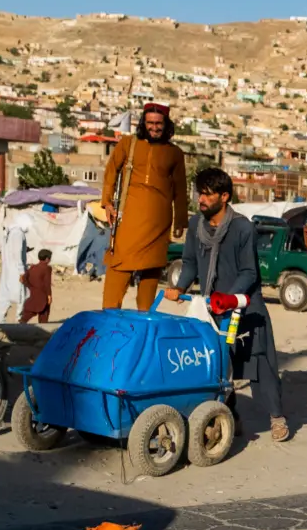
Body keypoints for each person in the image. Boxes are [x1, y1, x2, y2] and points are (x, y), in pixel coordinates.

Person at [164, 168, 290, 442]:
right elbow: (189, 264)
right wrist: (179, 287)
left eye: (208, 194)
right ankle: (230, 416)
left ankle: (277, 417)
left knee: (259, 363)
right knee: (218, 365)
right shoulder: (196, 225)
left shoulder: (242, 227)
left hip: (245, 304)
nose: (202, 199)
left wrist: (229, 299)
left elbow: (249, 272)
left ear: (225, 196)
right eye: (200, 193)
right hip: (210, 306)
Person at [102, 103, 187, 311]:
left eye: (158, 123)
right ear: (143, 123)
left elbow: (180, 189)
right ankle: (109, 318)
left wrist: (181, 220)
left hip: (159, 224)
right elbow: (111, 172)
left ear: (166, 125)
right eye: (150, 123)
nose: (154, 127)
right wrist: (107, 203)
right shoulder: (128, 144)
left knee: (151, 272)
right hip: (129, 220)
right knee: (119, 266)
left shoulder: (175, 153)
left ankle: (144, 321)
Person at [0, 212, 33, 324]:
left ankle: (0, 322)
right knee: (23, 294)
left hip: (7, 269)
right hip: (16, 270)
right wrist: (22, 271)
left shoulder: (9, 232)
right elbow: (17, 253)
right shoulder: (18, 234)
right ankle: (19, 319)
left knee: (4, 297)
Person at [77, 203, 110, 281]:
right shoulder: (93, 207)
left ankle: (96, 271)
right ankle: (95, 271)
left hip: (102, 220)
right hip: (97, 217)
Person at [19, 249, 54, 323]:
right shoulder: (47, 268)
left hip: (33, 293)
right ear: (47, 259)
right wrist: (49, 295)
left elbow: (23, 279)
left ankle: (22, 323)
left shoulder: (33, 267)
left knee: (30, 311)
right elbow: (47, 283)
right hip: (43, 294)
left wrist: (31, 286)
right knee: (44, 312)